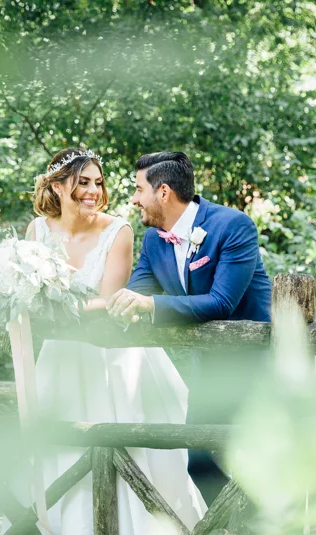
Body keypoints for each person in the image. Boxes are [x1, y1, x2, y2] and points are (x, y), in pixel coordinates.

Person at [0, 148, 207, 535]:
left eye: (98, 183)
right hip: (61, 362)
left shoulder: (119, 232)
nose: (93, 192)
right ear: (57, 187)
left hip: (113, 364)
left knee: (122, 458)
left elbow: (109, 306)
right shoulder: (36, 233)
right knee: (58, 457)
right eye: (82, 182)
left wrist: (50, 303)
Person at [107, 151, 272, 499]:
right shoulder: (154, 240)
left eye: (139, 189)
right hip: (207, 369)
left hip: (255, 368)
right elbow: (136, 293)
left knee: (260, 462)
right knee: (199, 462)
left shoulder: (232, 226)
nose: (135, 198)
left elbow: (221, 302)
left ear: (163, 192)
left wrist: (150, 305)